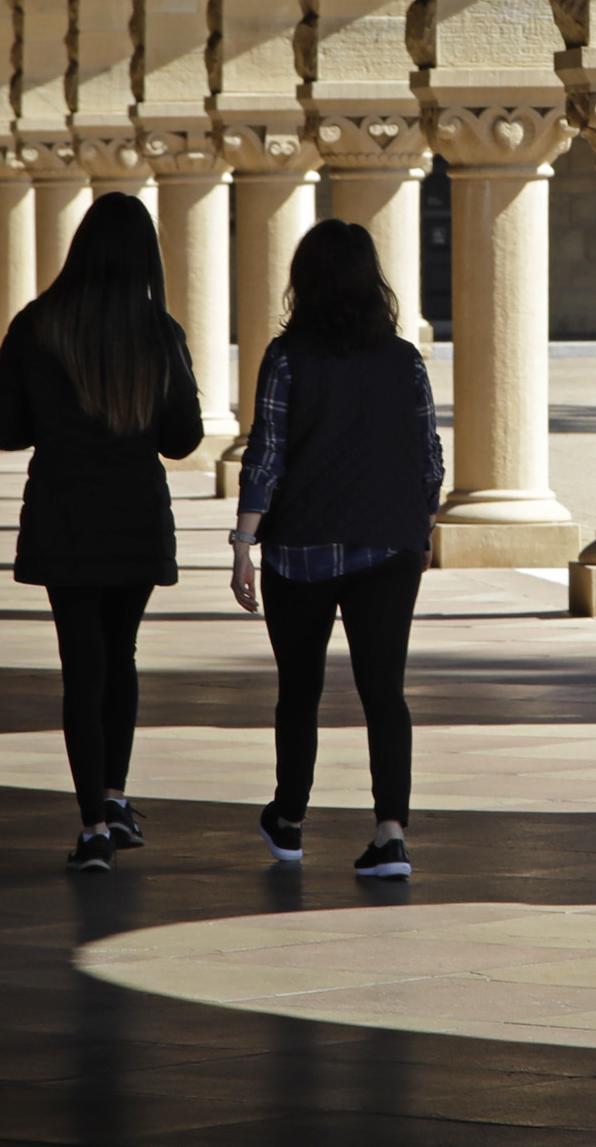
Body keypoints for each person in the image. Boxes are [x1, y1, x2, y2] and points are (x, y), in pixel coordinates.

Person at [0, 193, 203, 873]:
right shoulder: (157, 331)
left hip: (65, 515)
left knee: (82, 668)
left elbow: (5, 428)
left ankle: (91, 828)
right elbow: (184, 437)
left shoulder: (38, 324)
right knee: (122, 655)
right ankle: (114, 796)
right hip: (135, 516)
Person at [230, 218, 444, 882]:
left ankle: (290, 819)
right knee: (385, 690)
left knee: (300, 689)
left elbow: (266, 453)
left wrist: (244, 541)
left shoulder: (287, 356)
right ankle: (389, 833)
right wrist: (416, 523)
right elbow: (430, 459)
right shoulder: (404, 359)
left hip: (300, 546)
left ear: (305, 281)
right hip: (388, 543)